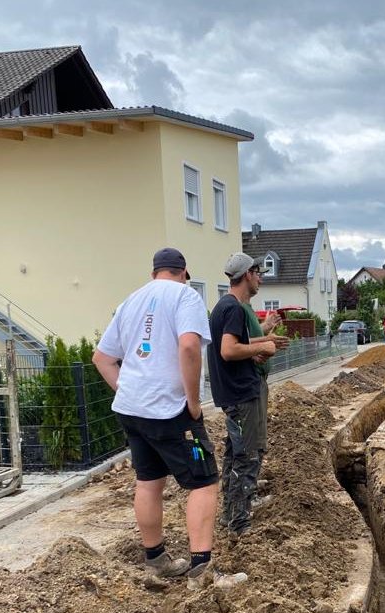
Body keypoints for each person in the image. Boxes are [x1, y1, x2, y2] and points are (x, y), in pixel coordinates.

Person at [92, 247, 247, 589]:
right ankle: (202, 571)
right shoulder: (184, 296)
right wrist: (192, 401)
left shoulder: (131, 300)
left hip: (132, 411)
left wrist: (127, 390)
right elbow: (190, 347)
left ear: (154, 274)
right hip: (170, 411)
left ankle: (156, 560)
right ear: (183, 273)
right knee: (204, 480)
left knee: (148, 481)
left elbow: (102, 357)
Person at [207, 252, 288, 539]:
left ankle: (231, 514)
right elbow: (229, 350)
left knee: (235, 455)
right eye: (258, 273)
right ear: (248, 275)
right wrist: (262, 349)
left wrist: (264, 339)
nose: (261, 279)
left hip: (234, 393)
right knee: (247, 455)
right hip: (242, 393)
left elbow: (236, 343)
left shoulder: (224, 307)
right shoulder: (235, 310)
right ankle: (240, 525)